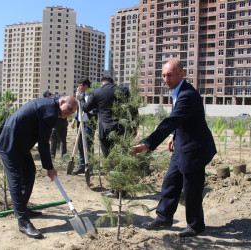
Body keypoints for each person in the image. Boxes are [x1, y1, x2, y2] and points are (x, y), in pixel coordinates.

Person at [131, 60, 216, 238]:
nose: (165, 79)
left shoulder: (187, 95)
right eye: (163, 75)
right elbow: (179, 119)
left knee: (191, 188)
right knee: (170, 181)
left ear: (181, 74)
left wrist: (148, 144)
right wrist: (173, 137)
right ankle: (163, 218)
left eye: (169, 75)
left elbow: (171, 121)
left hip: (194, 149)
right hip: (182, 145)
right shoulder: (178, 91)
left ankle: (195, 225)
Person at [0, 95, 78, 239]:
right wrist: (49, 168)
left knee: (30, 171)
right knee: (15, 179)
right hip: (10, 142)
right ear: (62, 102)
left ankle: (22, 208)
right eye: (68, 110)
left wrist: (48, 166)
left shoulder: (52, 106)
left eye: (72, 113)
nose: (68, 114)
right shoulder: (50, 112)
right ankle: (23, 222)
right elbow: (43, 144)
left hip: (19, 142)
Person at [76, 76, 131, 196]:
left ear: (102, 83)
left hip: (105, 130)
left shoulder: (97, 92)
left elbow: (86, 108)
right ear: (113, 83)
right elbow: (131, 108)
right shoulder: (124, 90)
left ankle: (115, 189)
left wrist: (80, 99)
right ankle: (123, 188)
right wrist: (134, 127)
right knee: (121, 157)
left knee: (110, 159)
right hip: (122, 129)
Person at [71, 79, 98, 175]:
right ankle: (82, 166)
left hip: (88, 124)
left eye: (81, 85)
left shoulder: (91, 96)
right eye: (78, 85)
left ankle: (89, 167)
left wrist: (87, 109)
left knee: (87, 145)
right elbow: (79, 108)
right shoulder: (80, 96)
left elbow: (95, 110)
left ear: (86, 86)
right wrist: (74, 119)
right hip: (80, 123)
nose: (79, 87)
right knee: (80, 145)